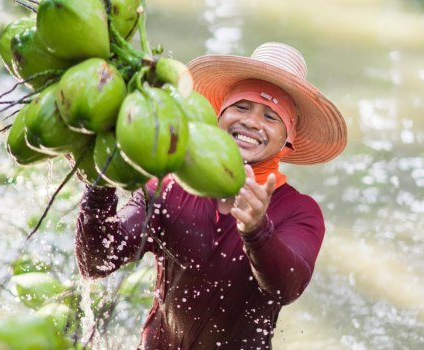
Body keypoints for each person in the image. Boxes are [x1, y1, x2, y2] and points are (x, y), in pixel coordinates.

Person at [74, 42, 347, 349]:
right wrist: (99, 180)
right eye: (242, 107)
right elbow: (96, 261)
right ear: (219, 115)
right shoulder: (170, 185)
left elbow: (286, 288)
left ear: (288, 141)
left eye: (272, 117)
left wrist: (257, 229)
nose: (253, 121)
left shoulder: (298, 211)